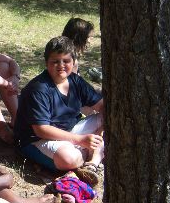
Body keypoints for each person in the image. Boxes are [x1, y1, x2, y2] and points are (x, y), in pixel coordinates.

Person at [14, 36, 104, 186]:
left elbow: (102, 107)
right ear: (46, 63)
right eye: (55, 61)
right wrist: (80, 140)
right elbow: (41, 130)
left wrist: (99, 130)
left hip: (70, 132)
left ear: (73, 62)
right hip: (38, 140)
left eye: (66, 61)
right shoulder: (38, 89)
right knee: (69, 158)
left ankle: (92, 163)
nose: (61, 65)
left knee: (112, 118)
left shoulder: (76, 81)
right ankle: (92, 153)